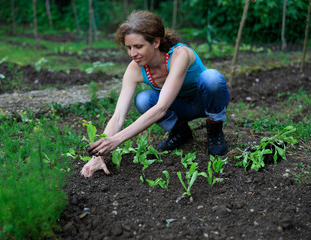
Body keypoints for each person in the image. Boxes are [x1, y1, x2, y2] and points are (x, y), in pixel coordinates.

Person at [81, 10, 229, 178]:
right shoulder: (134, 69)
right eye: (129, 47)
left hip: (203, 101)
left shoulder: (180, 54)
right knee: (143, 100)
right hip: (179, 108)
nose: (132, 54)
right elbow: (119, 115)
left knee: (212, 78)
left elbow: (161, 108)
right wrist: (98, 155)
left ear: (156, 42)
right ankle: (180, 132)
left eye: (138, 46)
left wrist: (116, 140)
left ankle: (215, 129)